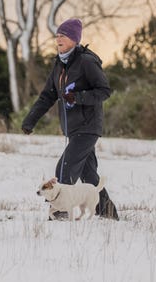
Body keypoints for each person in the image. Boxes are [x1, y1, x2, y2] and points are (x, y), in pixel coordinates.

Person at [21, 18, 119, 220]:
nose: (58, 39)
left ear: (74, 39)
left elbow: (104, 91)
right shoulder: (59, 65)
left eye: (63, 36)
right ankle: (109, 214)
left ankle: (60, 213)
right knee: (90, 176)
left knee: (64, 167)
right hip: (72, 129)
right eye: (57, 35)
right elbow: (47, 96)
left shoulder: (86, 62)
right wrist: (30, 120)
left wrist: (79, 97)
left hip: (88, 126)